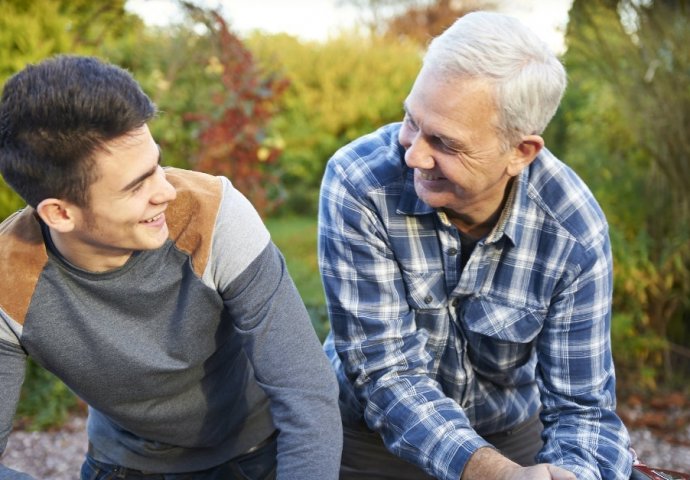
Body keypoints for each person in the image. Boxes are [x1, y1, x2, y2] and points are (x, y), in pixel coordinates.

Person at [318, 11, 634, 480]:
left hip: (507, 430)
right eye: (412, 119)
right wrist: (498, 475)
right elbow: (385, 373)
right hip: (370, 435)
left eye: (444, 142)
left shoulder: (573, 232)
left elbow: (582, 408)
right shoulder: (360, 183)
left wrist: (573, 473)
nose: (414, 154)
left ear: (520, 152)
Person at [0, 55, 342, 479]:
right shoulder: (9, 279)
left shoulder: (215, 216)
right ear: (60, 214)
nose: (166, 190)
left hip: (257, 454)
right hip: (124, 465)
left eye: (156, 165)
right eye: (137, 185)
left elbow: (308, 396)